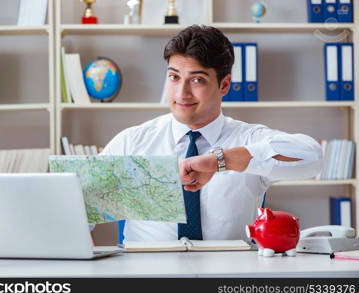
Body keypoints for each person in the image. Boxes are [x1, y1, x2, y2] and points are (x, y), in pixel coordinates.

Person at [101, 25, 322, 242]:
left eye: (197, 80)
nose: (182, 93)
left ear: (224, 85)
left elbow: (313, 158)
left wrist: (220, 161)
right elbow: (79, 200)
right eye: (174, 77)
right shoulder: (132, 142)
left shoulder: (247, 138)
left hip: (228, 273)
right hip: (147, 274)